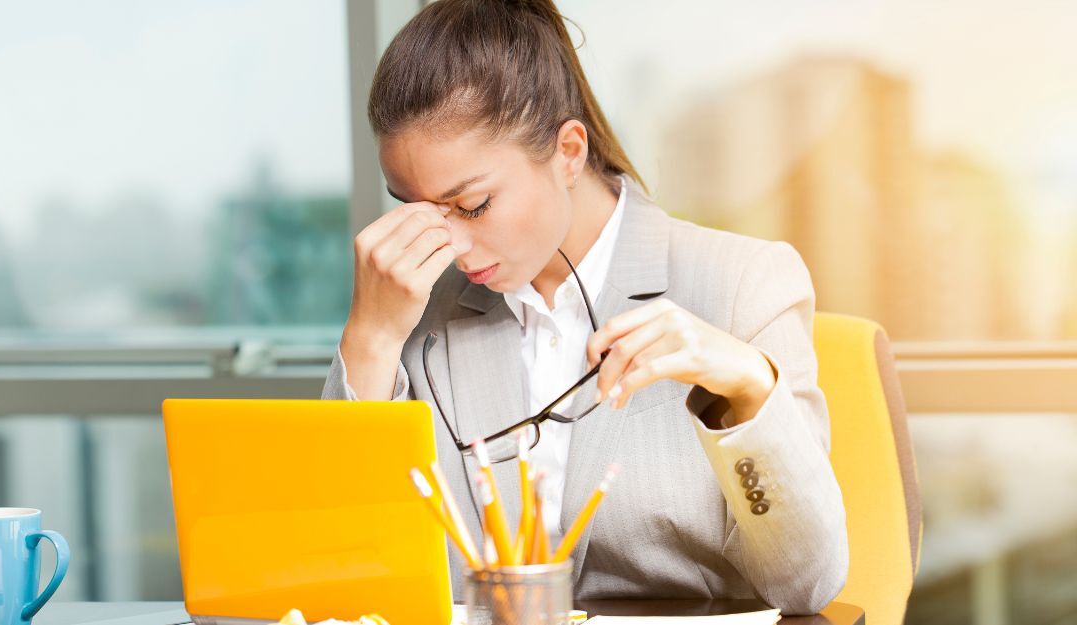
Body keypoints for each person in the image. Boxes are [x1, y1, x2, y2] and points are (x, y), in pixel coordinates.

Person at [322, 0, 847, 614]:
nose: (450, 245)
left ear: (569, 152)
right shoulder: (410, 306)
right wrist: (372, 337)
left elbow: (807, 583)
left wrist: (750, 388)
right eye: (415, 208)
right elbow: (345, 571)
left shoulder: (742, 281)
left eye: (472, 204)